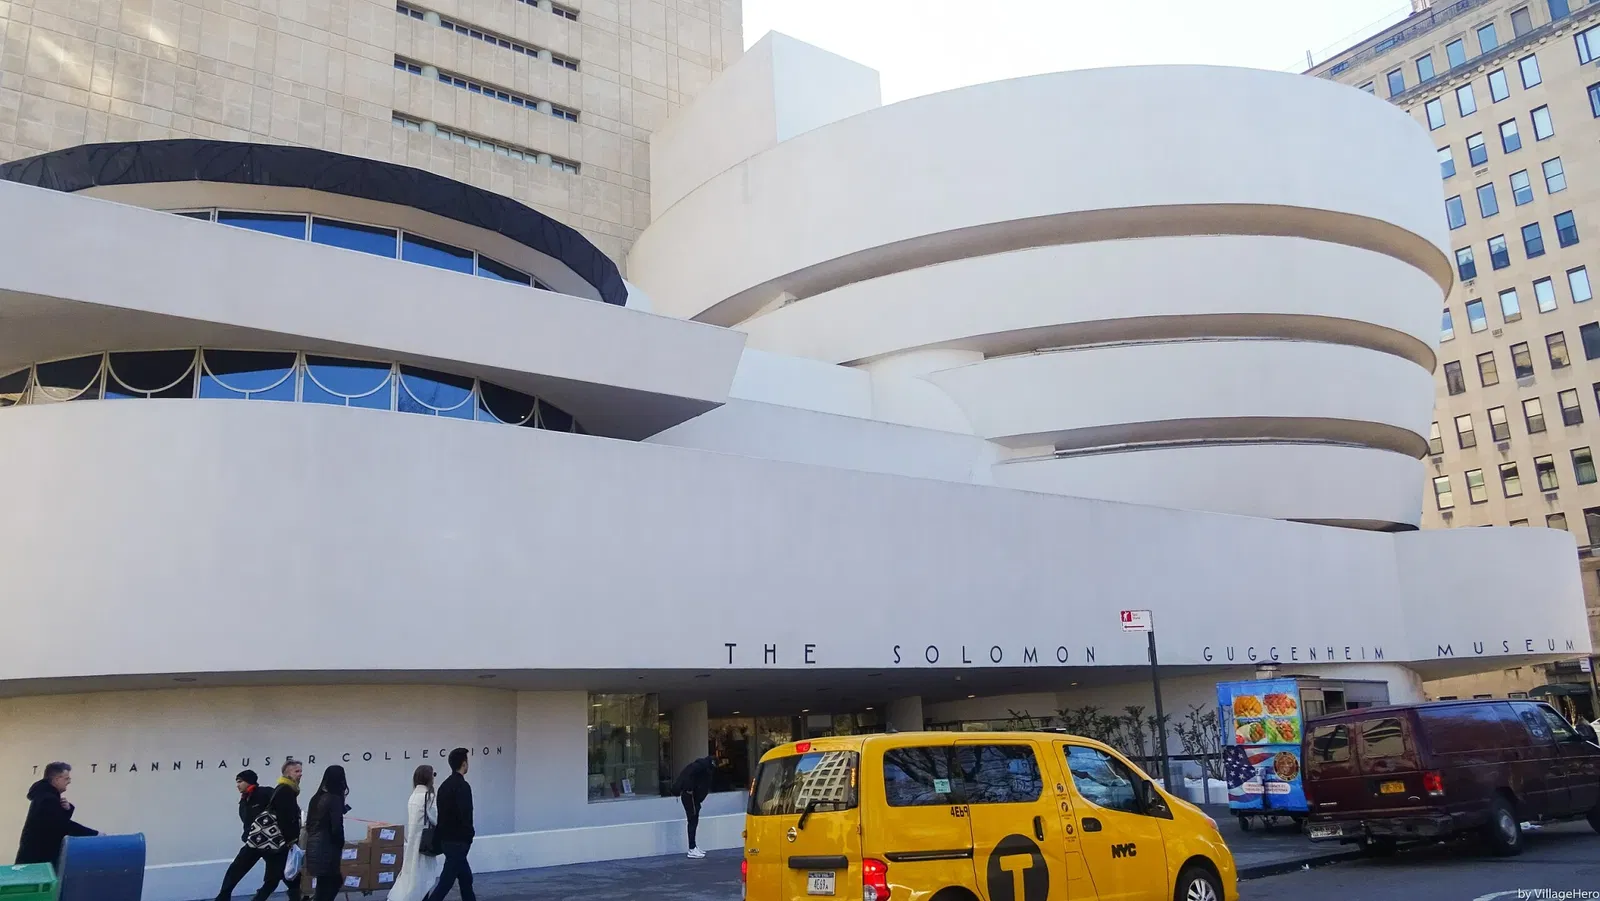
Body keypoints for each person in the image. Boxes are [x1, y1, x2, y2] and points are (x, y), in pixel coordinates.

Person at [15, 762, 97, 866]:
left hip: (35, 860)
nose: (69, 782)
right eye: (66, 778)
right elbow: (62, 826)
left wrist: (67, 809)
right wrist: (94, 834)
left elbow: (53, 824)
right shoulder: (48, 799)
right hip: (38, 862)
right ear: (57, 779)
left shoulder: (45, 796)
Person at [213, 770, 274, 901]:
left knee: (277, 875)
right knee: (235, 870)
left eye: (240, 781)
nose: (238, 785)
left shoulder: (265, 793)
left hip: (270, 842)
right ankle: (223, 897)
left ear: (249, 781)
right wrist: (246, 835)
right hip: (253, 842)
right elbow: (247, 821)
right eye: (237, 782)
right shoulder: (244, 799)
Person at [385, 766, 444, 901]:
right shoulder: (428, 796)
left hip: (414, 841)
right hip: (425, 842)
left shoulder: (413, 796)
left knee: (411, 875)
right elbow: (435, 818)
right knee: (424, 878)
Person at [425, 748, 476, 901]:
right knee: (446, 881)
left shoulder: (444, 786)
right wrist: (469, 835)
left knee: (465, 878)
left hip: (446, 840)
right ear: (464, 764)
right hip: (459, 841)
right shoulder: (463, 787)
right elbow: (466, 814)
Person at [251, 759, 304, 901]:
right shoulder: (285, 790)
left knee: (278, 880)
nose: (300, 774)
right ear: (287, 774)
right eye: (296, 771)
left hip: (277, 844)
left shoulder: (287, 789)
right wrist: (291, 840)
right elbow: (285, 818)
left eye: (300, 771)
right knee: (280, 880)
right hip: (280, 844)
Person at [302, 766, 351, 901]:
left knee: (324, 884)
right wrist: (340, 843)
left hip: (314, 845)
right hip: (327, 847)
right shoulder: (334, 798)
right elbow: (336, 827)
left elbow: (310, 824)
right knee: (332, 884)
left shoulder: (316, 797)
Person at [672, 756, 715, 859]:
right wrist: (690, 790)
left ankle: (693, 847)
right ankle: (692, 848)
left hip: (690, 796)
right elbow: (689, 779)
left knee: (693, 821)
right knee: (692, 821)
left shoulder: (698, 767)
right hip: (690, 797)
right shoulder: (700, 768)